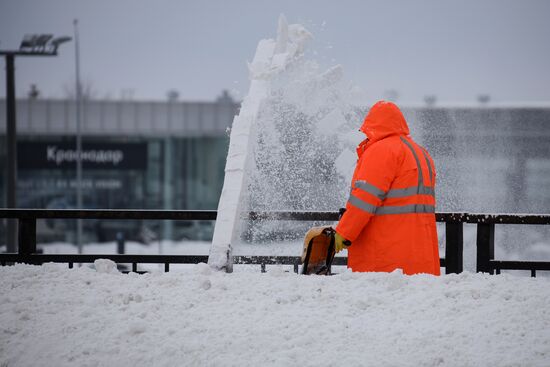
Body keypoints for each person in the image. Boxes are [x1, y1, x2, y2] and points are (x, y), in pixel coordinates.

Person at [334, 100, 440, 275]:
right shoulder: (420, 153)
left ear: (373, 126)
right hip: (421, 254)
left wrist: (344, 233)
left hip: (387, 257)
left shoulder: (382, 151)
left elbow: (364, 200)